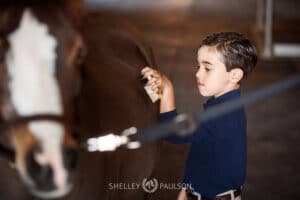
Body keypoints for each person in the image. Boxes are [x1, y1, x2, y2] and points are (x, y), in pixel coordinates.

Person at [141, 32, 257, 200]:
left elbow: (173, 132)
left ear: (234, 75)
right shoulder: (225, 106)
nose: (197, 74)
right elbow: (203, 154)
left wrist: (167, 90)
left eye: (207, 68)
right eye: (198, 66)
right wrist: (187, 188)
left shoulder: (221, 116)